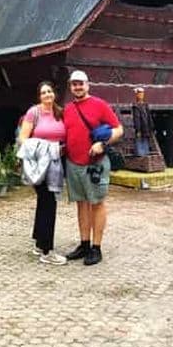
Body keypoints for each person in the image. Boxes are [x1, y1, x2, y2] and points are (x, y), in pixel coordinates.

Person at [62, 70, 123, 266]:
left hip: (95, 164)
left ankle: (96, 248)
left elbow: (118, 129)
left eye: (81, 84)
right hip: (73, 163)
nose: (77, 87)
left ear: (87, 85)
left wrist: (103, 144)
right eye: (74, 84)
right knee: (81, 203)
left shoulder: (100, 105)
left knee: (97, 202)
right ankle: (84, 244)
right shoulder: (68, 109)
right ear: (70, 87)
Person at [17, 81, 67, 266]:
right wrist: (43, 147)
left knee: (44, 202)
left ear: (54, 94)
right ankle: (48, 251)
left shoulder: (60, 112)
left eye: (50, 91)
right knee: (49, 203)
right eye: (43, 92)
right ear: (39, 96)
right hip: (40, 164)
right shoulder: (34, 112)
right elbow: (23, 138)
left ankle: (39, 243)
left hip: (56, 162)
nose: (47, 95)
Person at [132, 87, 154, 156]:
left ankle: (144, 155)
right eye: (139, 94)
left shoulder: (145, 105)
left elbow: (148, 117)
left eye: (142, 94)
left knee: (144, 143)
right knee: (141, 144)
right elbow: (137, 119)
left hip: (145, 128)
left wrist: (151, 127)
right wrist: (138, 130)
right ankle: (142, 155)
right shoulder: (136, 106)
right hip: (142, 129)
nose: (141, 95)